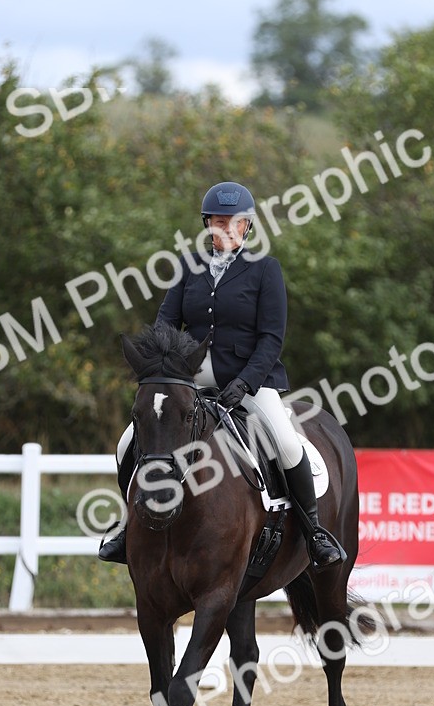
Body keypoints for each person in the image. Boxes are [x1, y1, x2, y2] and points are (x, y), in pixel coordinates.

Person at [98, 180, 344, 570]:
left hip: (249, 382)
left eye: (235, 222)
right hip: (190, 382)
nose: (226, 228)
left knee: (286, 442)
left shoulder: (265, 270)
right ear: (207, 223)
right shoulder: (188, 267)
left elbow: (270, 338)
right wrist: (160, 364)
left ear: (247, 227)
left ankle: (314, 532)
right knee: (128, 442)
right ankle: (131, 527)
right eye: (218, 221)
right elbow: (166, 323)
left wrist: (245, 383)